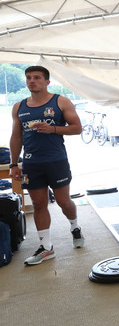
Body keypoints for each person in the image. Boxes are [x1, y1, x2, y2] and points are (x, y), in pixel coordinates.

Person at [10, 65, 85, 265]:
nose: (31, 81)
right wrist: (13, 164)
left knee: (63, 202)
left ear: (47, 82)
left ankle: (75, 226)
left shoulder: (60, 101)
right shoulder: (19, 107)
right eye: (28, 78)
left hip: (56, 161)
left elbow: (77, 128)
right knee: (38, 204)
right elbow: (16, 136)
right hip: (31, 164)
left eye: (36, 77)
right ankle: (46, 247)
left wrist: (52, 129)